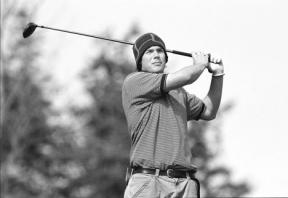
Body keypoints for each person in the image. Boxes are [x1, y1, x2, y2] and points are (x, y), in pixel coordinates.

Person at [122, 33, 224, 198]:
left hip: (184, 184)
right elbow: (186, 76)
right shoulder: (135, 82)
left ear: (165, 57)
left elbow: (208, 111)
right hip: (149, 182)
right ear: (140, 61)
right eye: (149, 52)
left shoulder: (178, 92)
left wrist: (218, 75)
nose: (156, 55)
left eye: (159, 51)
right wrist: (200, 65)